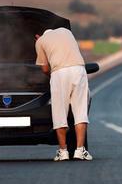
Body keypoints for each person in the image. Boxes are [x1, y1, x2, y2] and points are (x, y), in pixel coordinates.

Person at [35, 27, 93, 161]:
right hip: (78, 70)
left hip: (59, 73)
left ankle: (63, 151)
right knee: (80, 113)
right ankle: (79, 151)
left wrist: (40, 42)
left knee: (60, 113)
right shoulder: (67, 31)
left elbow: (44, 69)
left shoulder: (41, 41)